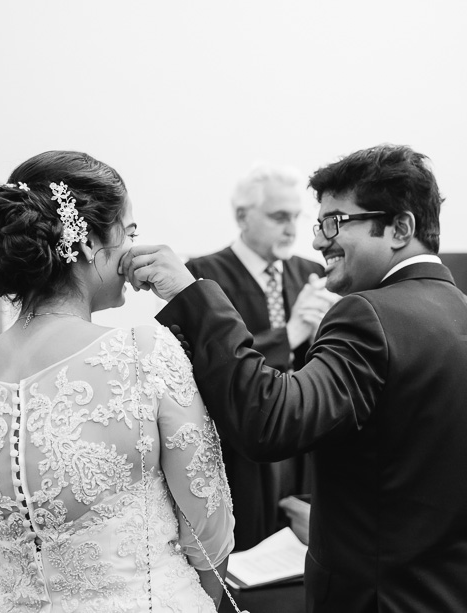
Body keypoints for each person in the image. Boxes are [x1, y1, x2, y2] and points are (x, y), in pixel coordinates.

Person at [122, 144, 467, 613]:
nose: (317, 240)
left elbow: (270, 420)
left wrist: (192, 297)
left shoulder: (368, 315)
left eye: (335, 222)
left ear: (400, 228)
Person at [0, 151, 235, 613]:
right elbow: (207, 529)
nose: (135, 249)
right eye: (129, 233)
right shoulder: (143, 353)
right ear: (90, 240)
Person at [184, 164, 337, 550]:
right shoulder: (203, 276)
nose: (292, 228)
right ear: (242, 217)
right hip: (240, 450)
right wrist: (290, 334)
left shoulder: (312, 272)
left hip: (303, 440)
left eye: (296, 217)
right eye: (278, 217)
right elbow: (208, 363)